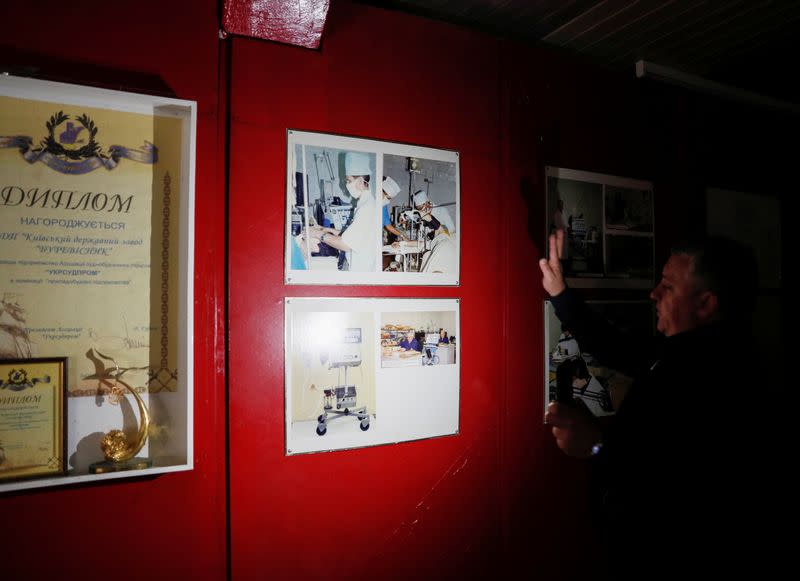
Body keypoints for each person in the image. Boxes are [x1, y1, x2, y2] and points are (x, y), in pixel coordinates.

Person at [540, 229, 766, 579]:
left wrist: (598, 446)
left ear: (705, 304)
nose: (654, 293)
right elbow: (616, 348)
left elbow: (676, 496)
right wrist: (560, 293)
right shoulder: (682, 353)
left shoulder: (723, 384)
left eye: (668, 287)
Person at [306, 151, 377, 271]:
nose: (347, 185)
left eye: (349, 181)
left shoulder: (367, 208)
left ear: (360, 181)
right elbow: (355, 235)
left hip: (360, 268)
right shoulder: (365, 203)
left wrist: (317, 234)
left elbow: (346, 244)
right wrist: (327, 230)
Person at [381, 176, 409, 243]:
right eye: (386, 197)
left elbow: (388, 226)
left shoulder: (383, 206)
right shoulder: (370, 203)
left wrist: (402, 236)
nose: (387, 200)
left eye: (389, 198)